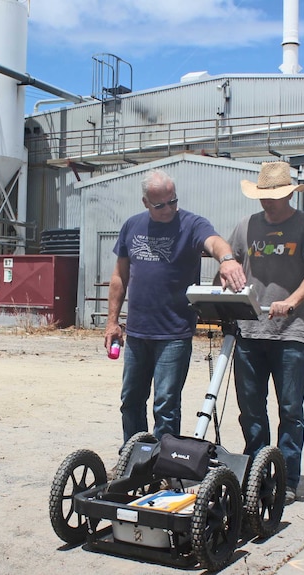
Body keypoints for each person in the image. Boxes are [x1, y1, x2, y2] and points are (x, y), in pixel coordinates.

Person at [105, 169, 246, 444]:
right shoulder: (132, 226)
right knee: (130, 400)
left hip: (173, 333)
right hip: (137, 333)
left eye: (173, 201)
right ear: (145, 202)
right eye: (160, 205)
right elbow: (119, 277)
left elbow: (214, 242)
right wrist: (112, 322)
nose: (169, 209)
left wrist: (226, 259)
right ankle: (134, 460)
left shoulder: (191, 224)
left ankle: (163, 465)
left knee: (166, 405)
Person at [227, 161, 304, 504]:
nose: (266, 202)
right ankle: (256, 471)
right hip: (249, 331)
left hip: (289, 333)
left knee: (290, 409)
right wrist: (222, 288)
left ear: (287, 193)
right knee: (251, 409)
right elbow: (229, 265)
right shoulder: (246, 226)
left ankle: (286, 478)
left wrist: (292, 301)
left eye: (272, 196)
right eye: (262, 196)